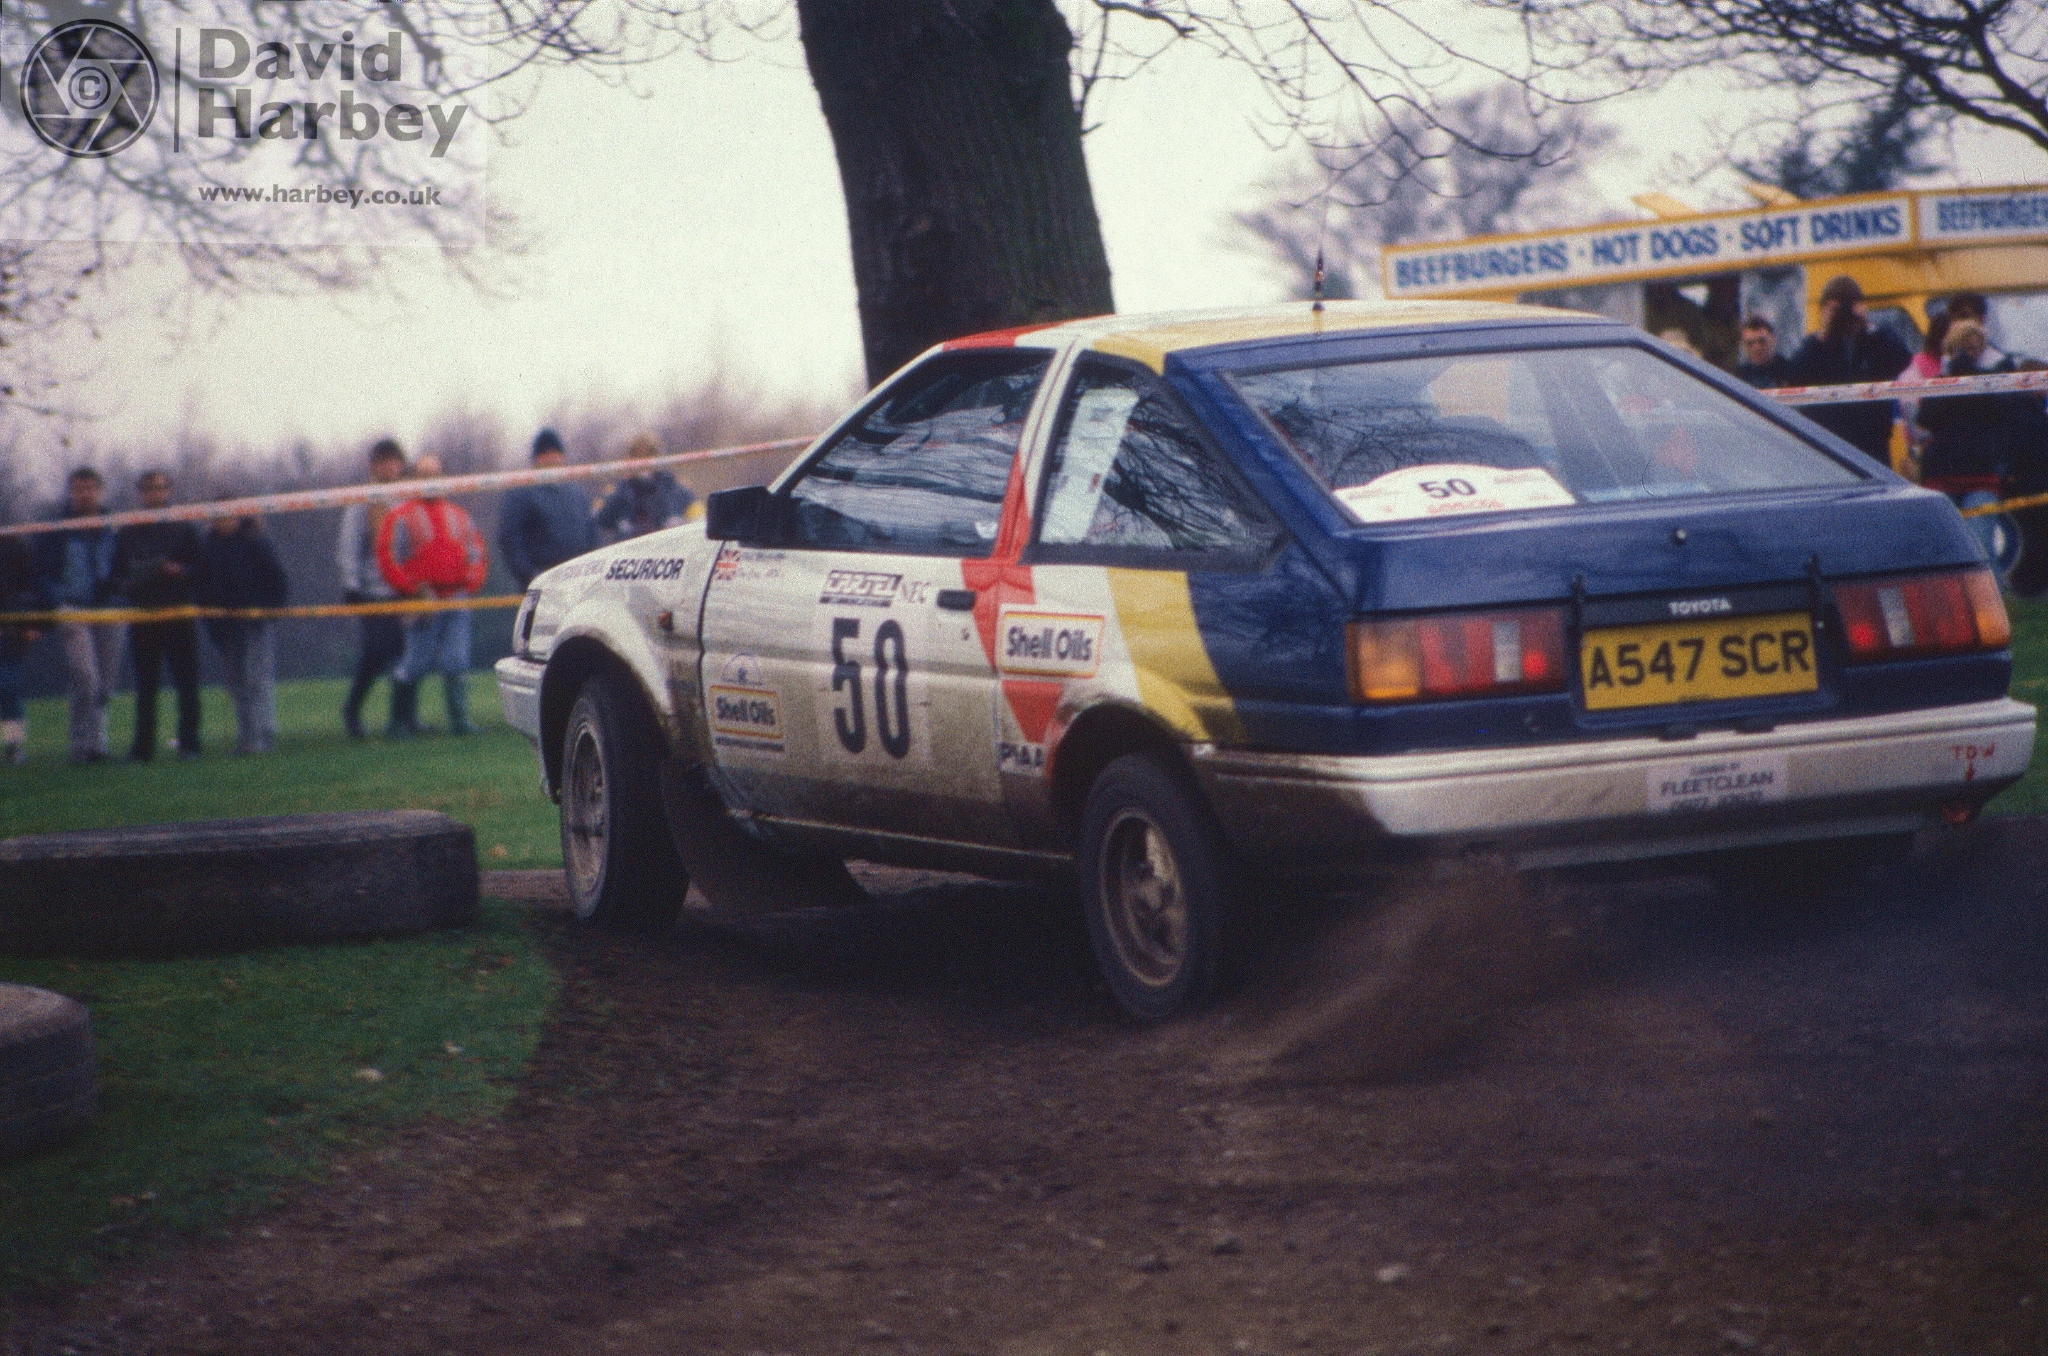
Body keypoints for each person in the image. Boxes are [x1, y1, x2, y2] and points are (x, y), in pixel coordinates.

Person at [377, 453, 488, 737]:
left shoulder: (459, 515)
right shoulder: (399, 516)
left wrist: (471, 582)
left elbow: (477, 552)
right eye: (425, 475)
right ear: (415, 479)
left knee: (457, 660)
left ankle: (460, 721)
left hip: (457, 599)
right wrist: (411, 590)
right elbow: (388, 558)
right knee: (415, 662)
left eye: (435, 475)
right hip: (422, 602)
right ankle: (398, 723)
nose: (431, 481)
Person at [112, 470, 206, 762]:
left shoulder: (184, 527)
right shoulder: (127, 531)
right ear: (140, 493)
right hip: (143, 616)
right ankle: (142, 749)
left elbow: (201, 569)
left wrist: (180, 572)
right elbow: (115, 574)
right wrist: (129, 584)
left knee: (187, 684)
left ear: (169, 490)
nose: (154, 493)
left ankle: (189, 745)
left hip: (178, 612)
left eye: (160, 488)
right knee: (145, 686)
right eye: (148, 488)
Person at [33, 467, 125, 764]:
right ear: (71, 491)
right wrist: (57, 601)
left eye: (90, 487)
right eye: (78, 488)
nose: (85, 494)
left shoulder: (114, 526)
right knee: (85, 676)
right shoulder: (57, 529)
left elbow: (124, 566)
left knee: (106, 681)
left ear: (100, 489)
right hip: (72, 607)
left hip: (110, 609)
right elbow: (42, 571)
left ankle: (98, 745)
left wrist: (120, 590)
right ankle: (79, 744)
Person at [1788, 275, 1915, 465]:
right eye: (1837, 309)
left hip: (1873, 443)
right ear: (1823, 309)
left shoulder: (1876, 339)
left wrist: (1867, 323)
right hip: (1829, 444)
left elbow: (1903, 359)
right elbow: (1795, 376)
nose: (1844, 316)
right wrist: (1823, 333)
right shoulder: (1816, 345)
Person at [337, 439, 413, 739]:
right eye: (382, 461)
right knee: (377, 653)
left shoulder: (409, 497)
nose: (389, 466)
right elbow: (349, 543)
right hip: (373, 590)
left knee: (408, 655)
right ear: (373, 466)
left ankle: (405, 719)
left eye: (394, 460)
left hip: (406, 590)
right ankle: (352, 710)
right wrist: (351, 584)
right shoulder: (363, 500)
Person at [201, 512, 289, 755]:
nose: (225, 522)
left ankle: (261, 736)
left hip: (254, 624)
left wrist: (265, 611)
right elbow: (202, 586)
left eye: (230, 516)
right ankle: (246, 736)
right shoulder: (208, 547)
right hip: (225, 626)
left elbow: (277, 581)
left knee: (256, 679)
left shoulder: (255, 543)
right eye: (220, 517)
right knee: (236, 682)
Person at [499, 428, 598, 587]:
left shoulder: (576, 492)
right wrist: (530, 576)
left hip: (579, 580)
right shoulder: (522, 492)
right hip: (543, 581)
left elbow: (591, 531)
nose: (553, 458)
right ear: (537, 459)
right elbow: (509, 538)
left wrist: (594, 569)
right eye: (546, 454)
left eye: (556, 453)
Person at [595, 433, 693, 541]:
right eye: (637, 455)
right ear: (629, 459)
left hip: (667, 549)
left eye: (648, 455)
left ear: (657, 457)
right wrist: (621, 489)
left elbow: (699, 520)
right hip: (630, 552)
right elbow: (600, 521)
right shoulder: (618, 491)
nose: (643, 461)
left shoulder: (675, 489)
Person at [0, 535, 41, 765]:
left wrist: (30, 623)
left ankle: (13, 746)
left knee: (7, 688)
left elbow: (30, 585)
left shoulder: (15, 545)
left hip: (10, 630)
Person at [1732, 315, 1796, 388]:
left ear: (1774, 340)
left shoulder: (1790, 371)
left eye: (1762, 341)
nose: (1756, 348)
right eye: (1750, 343)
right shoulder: (1738, 377)